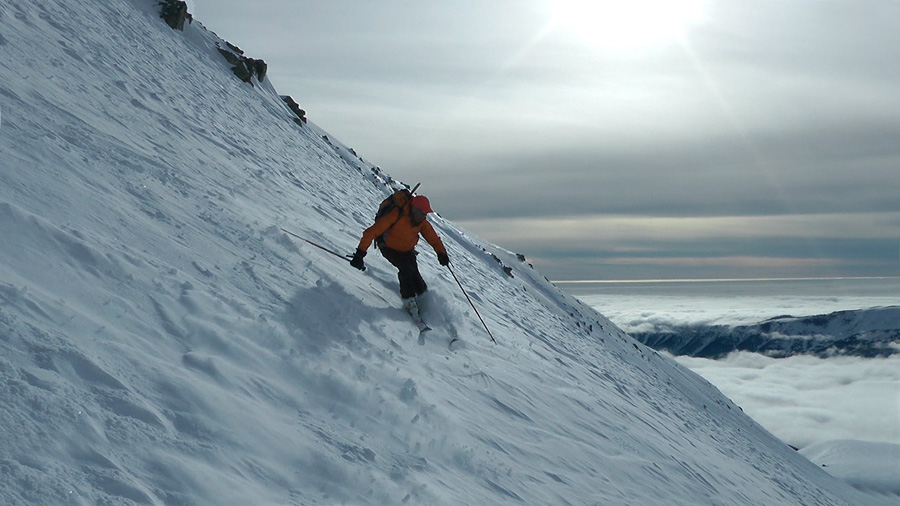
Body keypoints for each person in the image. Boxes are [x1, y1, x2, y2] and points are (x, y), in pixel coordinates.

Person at [350, 193, 450, 320]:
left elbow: (434, 239)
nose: (424, 216)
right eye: (422, 213)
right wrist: (359, 255)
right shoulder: (396, 214)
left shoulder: (421, 222)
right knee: (405, 269)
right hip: (389, 248)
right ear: (414, 208)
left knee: (415, 275)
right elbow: (371, 232)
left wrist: (442, 254)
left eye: (426, 213)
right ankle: (409, 302)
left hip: (407, 250)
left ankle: (425, 301)